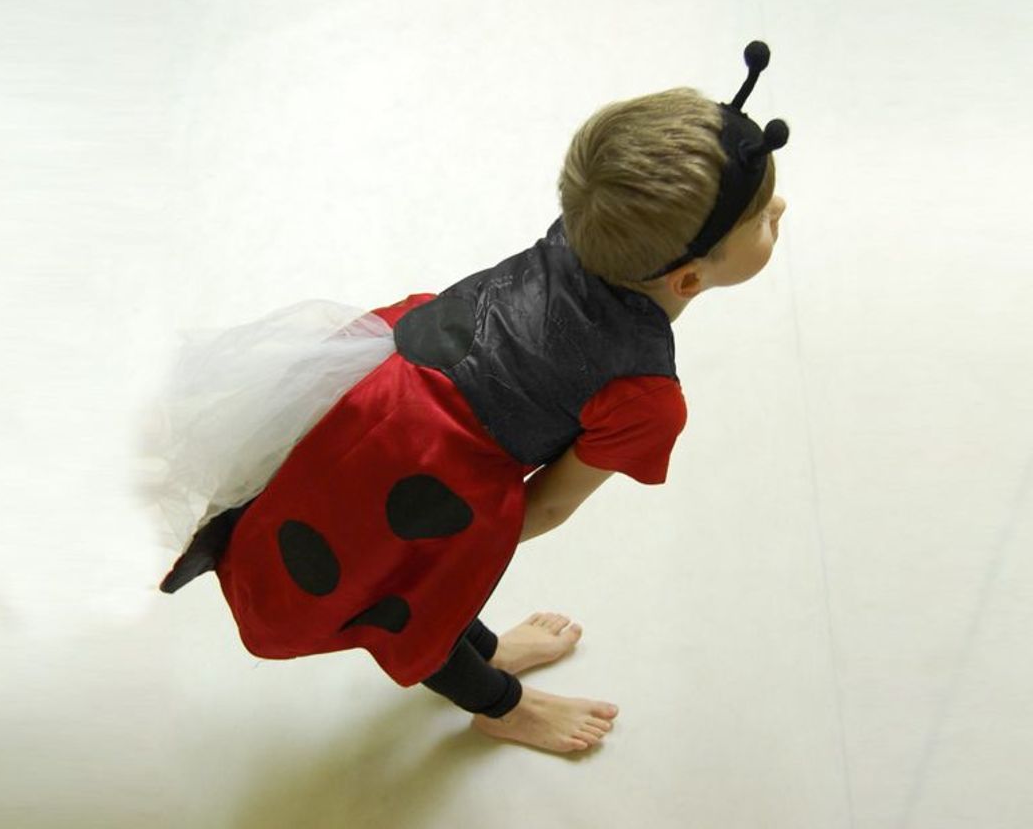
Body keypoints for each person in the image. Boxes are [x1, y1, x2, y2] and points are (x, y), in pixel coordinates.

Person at [146, 41, 790, 754]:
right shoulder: (645, 396)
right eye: (764, 218)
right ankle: (499, 705)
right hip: (428, 476)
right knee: (413, 603)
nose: (781, 209)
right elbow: (546, 506)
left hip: (378, 399)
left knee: (414, 592)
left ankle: (480, 645)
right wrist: (437, 564)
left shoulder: (587, 233)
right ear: (688, 281)